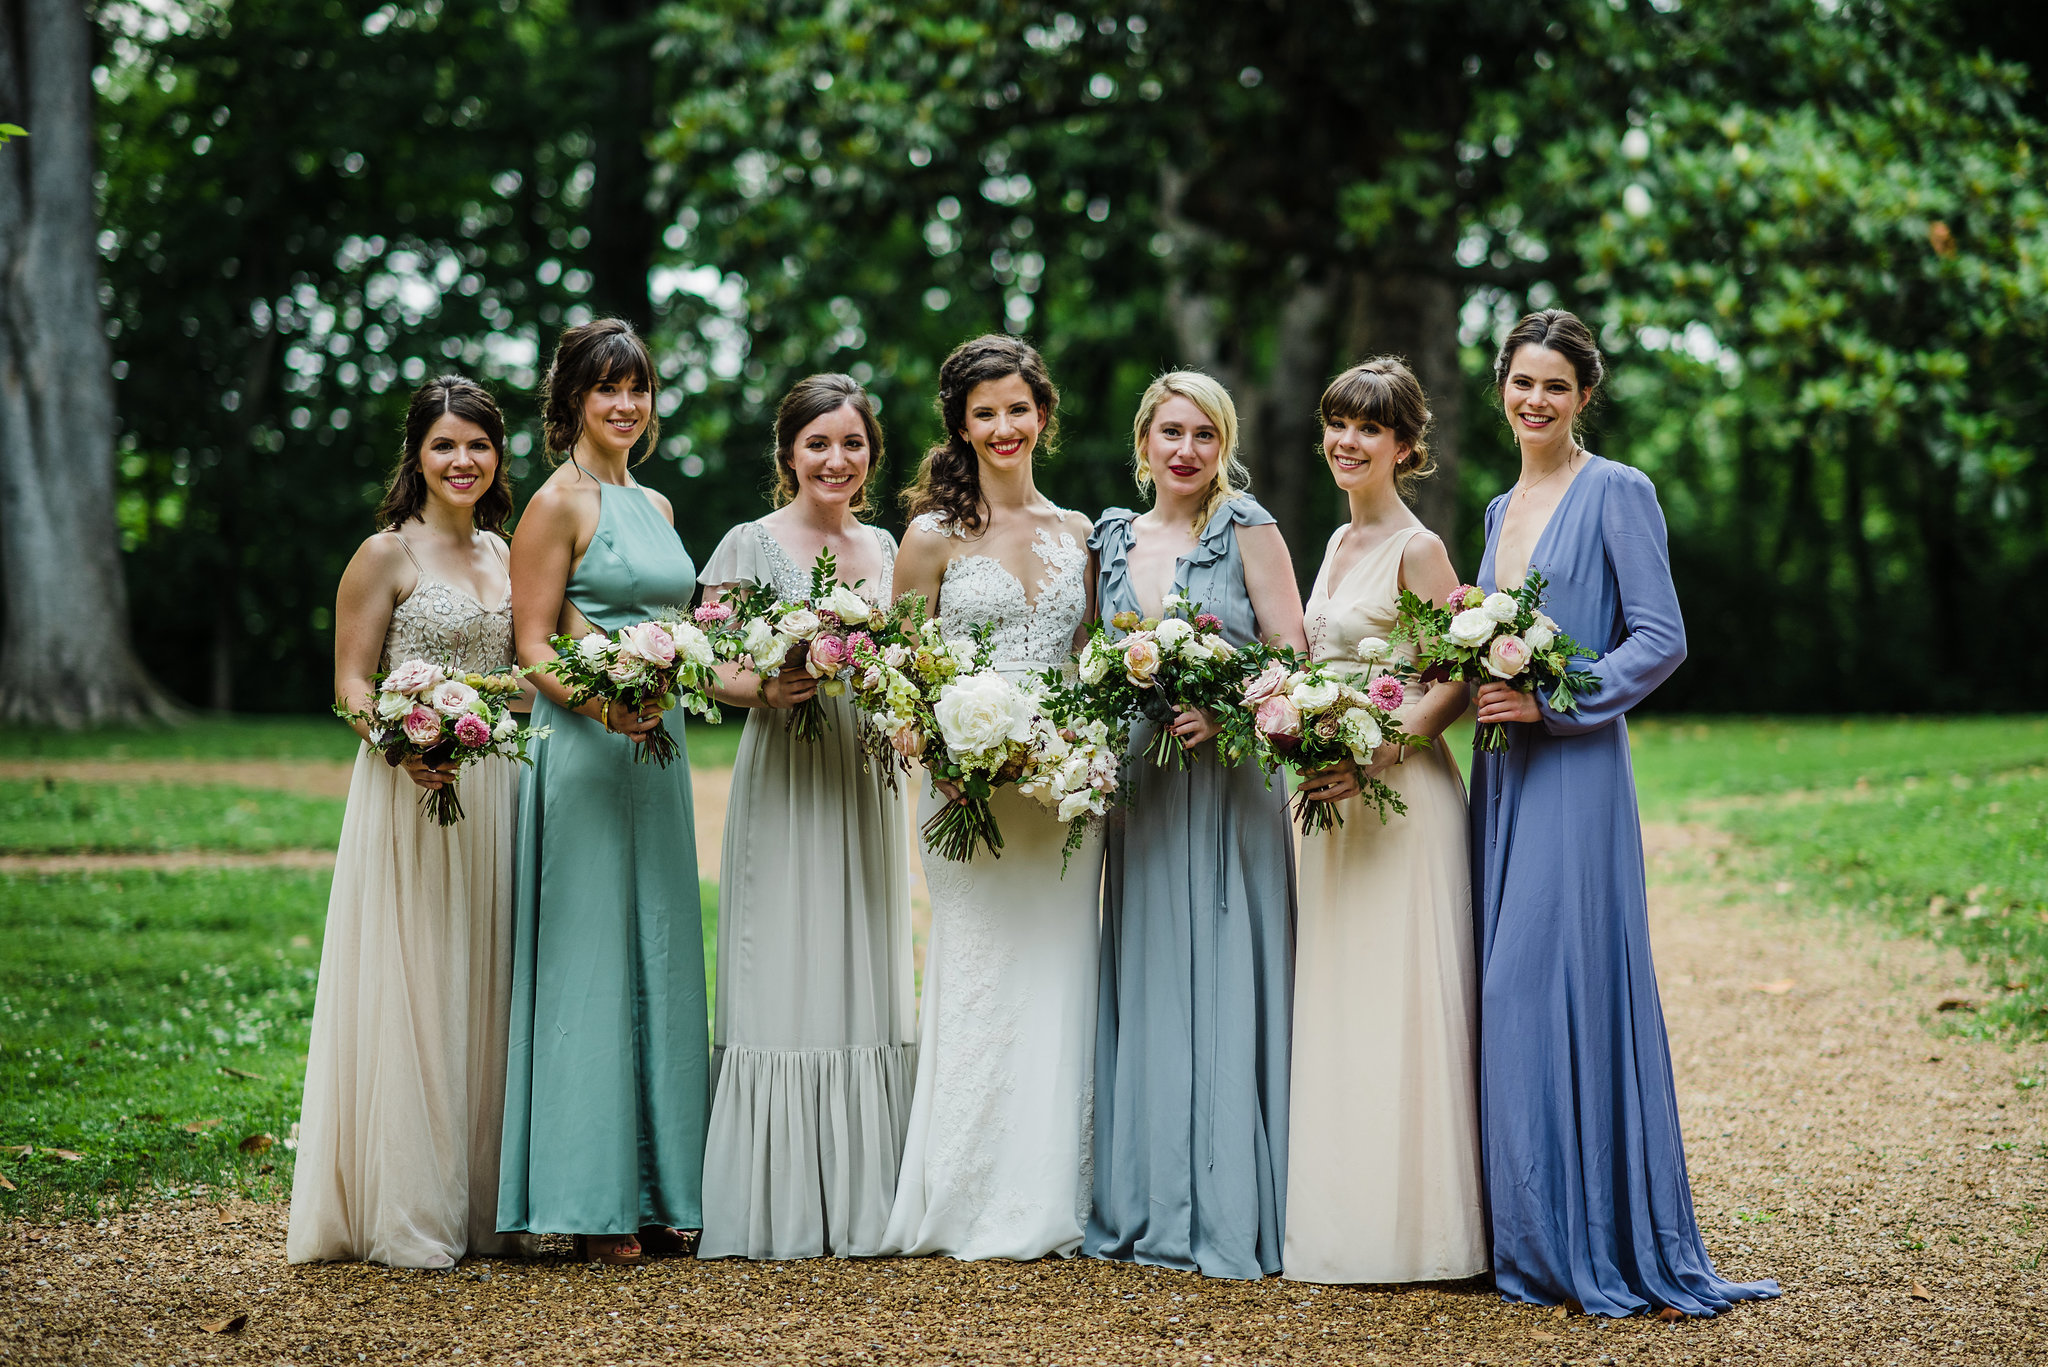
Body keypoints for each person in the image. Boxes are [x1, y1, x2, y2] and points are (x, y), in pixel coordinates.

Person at [1469, 309, 1779, 1316]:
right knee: (1503, 994)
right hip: (1500, 772)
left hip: (1574, 764)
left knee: (1538, 985)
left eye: (1554, 385)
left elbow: (1659, 636)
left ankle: (1586, 1237)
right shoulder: (1491, 508)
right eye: (1521, 381)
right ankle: (1522, 1231)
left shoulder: (1617, 491)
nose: (1534, 400)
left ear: (1583, 395)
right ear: (1501, 386)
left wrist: (1551, 694)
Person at [288, 375, 536, 1269]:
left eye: (477, 443)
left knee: (488, 976)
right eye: (444, 445)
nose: (462, 460)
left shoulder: (513, 554)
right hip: (408, 785)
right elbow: (353, 681)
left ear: (498, 454)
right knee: (417, 976)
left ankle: (484, 1204)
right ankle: (408, 1204)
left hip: (499, 787)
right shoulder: (385, 553)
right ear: (417, 456)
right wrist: (396, 739)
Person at [878, 334, 1103, 1262]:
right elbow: (899, 666)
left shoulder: (1083, 534)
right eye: (986, 414)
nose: (1004, 427)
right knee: (976, 969)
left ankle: (1056, 1186)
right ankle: (965, 1189)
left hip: (1055, 799)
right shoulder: (929, 537)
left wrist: (1066, 751)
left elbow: (1091, 667)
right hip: (963, 794)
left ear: (1042, 414)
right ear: (961, 426)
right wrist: (944, 738)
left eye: (1019, 409)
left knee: (1059, 972)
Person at [497, 319, 708, 1265]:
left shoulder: (655, 504)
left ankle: (663, 1190)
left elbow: (672, 619)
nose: (626, 405)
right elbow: (532, 643)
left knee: (660, 951)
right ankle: (589, 1200)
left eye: (639, 388)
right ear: (572, 400)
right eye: (606, 389)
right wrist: (603, 705)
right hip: (584, 748)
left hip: (656, 756)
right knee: (588, 955)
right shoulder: (557, 503)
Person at [1085, 372, 1304, 1280]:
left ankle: (1233, 1203)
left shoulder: (1249, 529)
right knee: (1151, 975)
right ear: (1144, 444)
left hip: (1229, 780)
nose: (1186, 450)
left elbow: (1294, 653)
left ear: (1223, 446)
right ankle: (1147, 1198)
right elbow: (1088, 660)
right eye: (1170, 433)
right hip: (1144, 784)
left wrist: (1229, 709)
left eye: (1204, 435)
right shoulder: (1109, 536)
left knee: (1226, 968)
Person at [695, 374, 917, 1259]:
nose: (837, 459)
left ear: (872, 454)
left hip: (863, 769)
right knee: (781, 952)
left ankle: (865, 1189)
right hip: (785, 764)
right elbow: (703, 663)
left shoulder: (889, 545)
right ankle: (771, 1191)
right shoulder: (747, 544)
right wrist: (765, 687)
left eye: (852, 443)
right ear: (788, 451)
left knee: (859, 944)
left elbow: (914, 655)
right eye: (819, 442)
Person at [1282, 358, 1485, 1285]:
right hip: (1329, 803)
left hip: (1402, 803)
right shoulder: (1333, 543)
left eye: (1369, 428)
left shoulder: (1419, 546)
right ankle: (1343, 1218)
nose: (1347, 442)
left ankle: (1423, 1233)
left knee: (1400, 1002)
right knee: (1341, 1000)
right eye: (1336, 423)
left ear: (1405, 447)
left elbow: (1462, 673)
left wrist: (1382, 746)